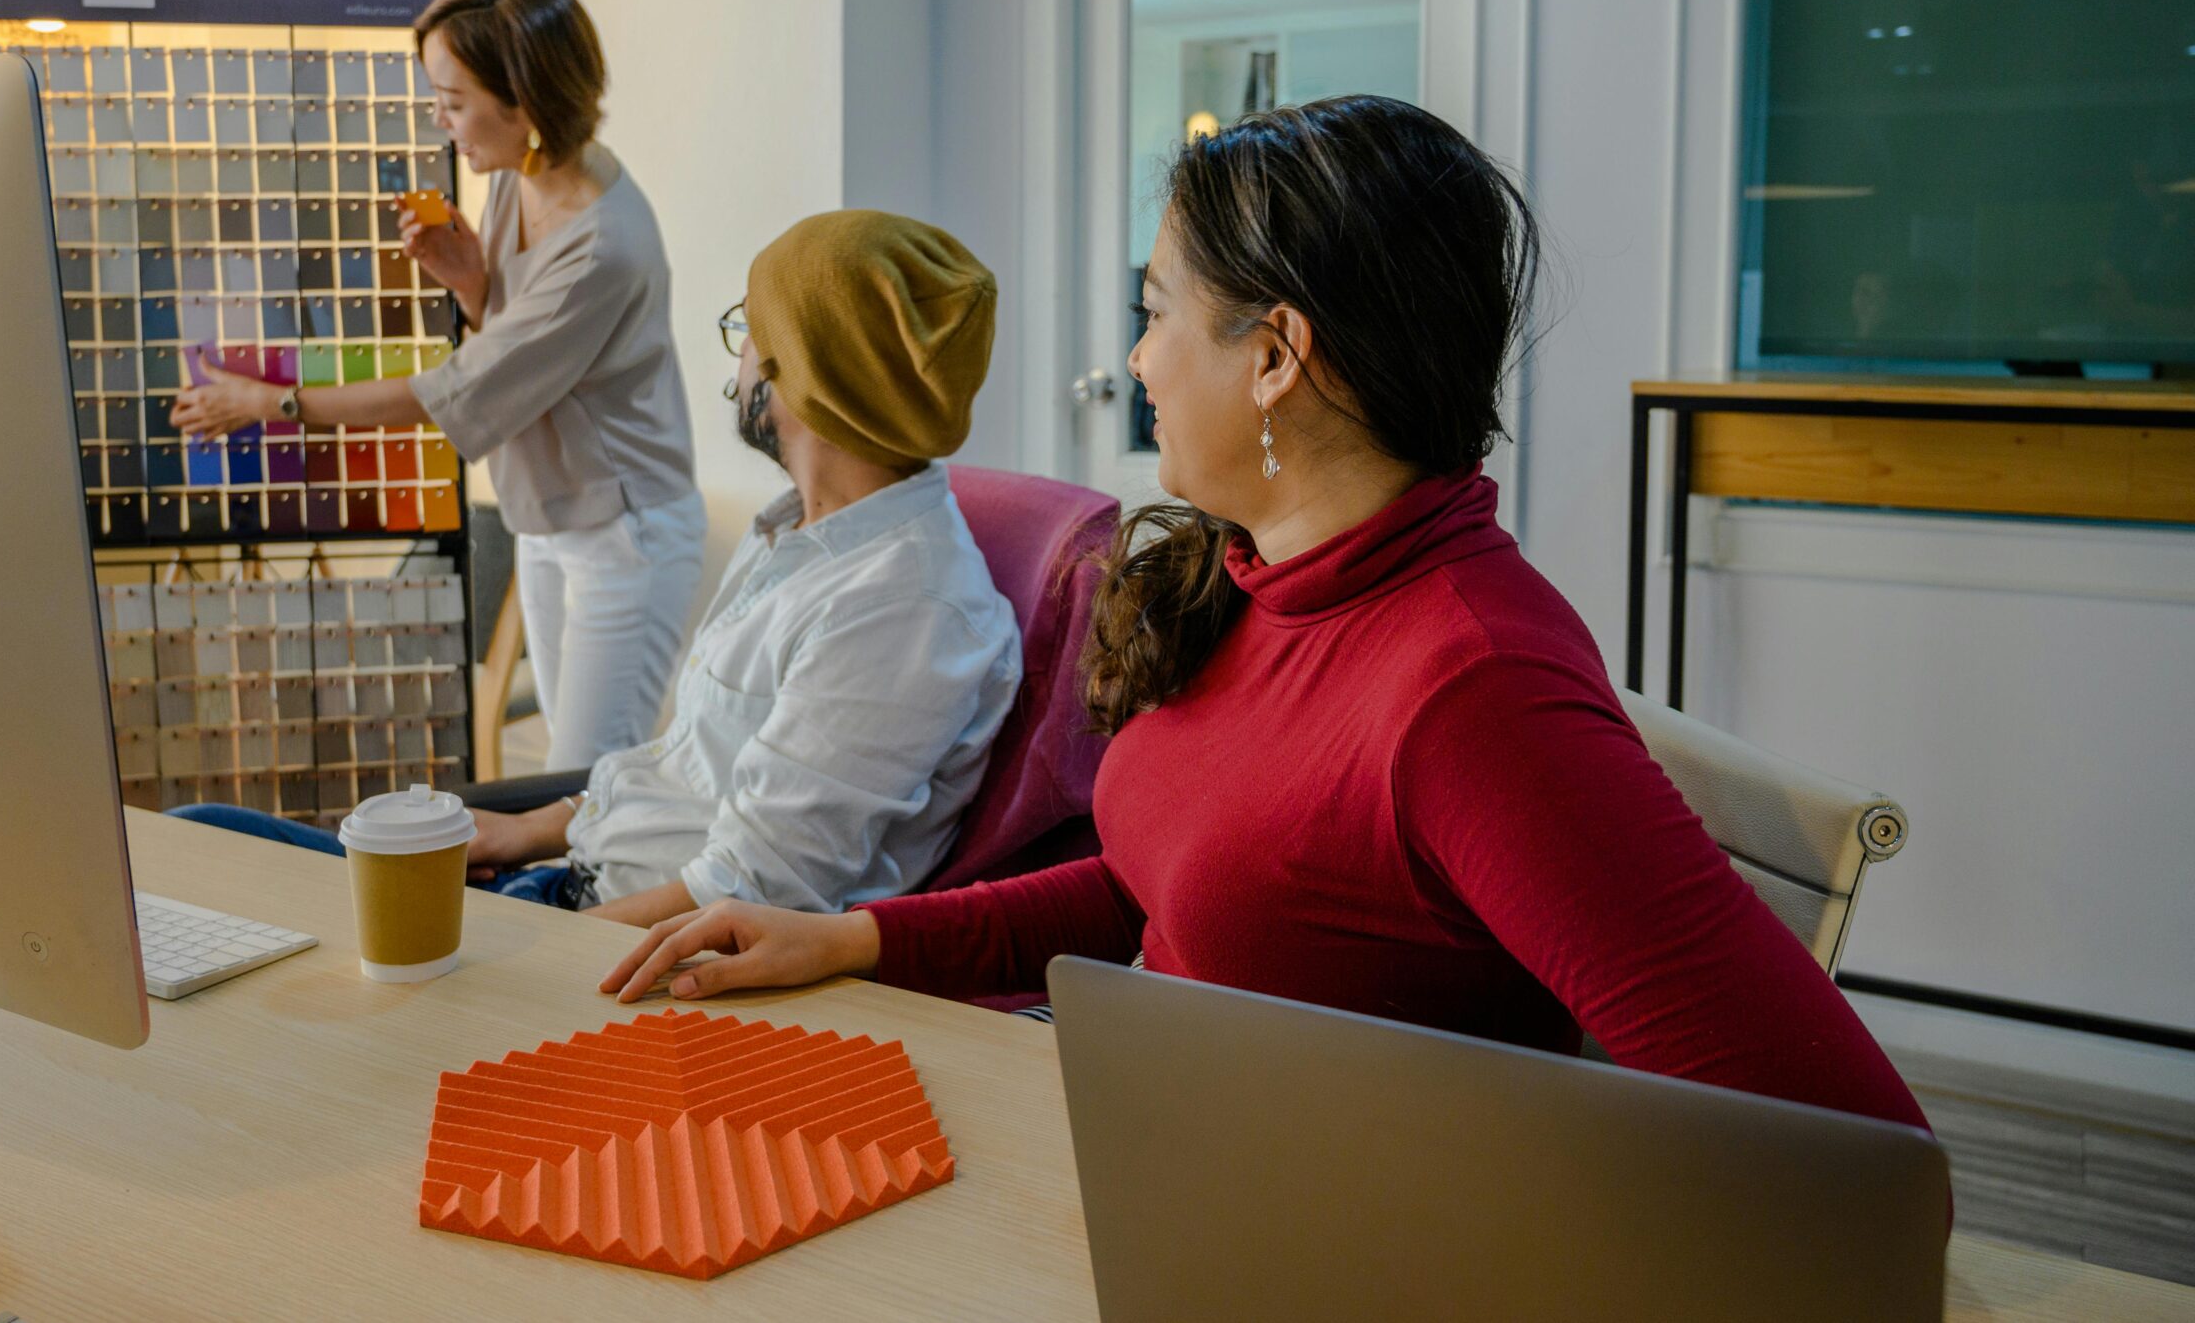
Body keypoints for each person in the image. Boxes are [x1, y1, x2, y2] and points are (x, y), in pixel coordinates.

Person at [602, 96, 1931, 1132]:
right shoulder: (1265, 578)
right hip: (1135, 1140)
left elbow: (1856, 1158)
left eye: (1154, 311)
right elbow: (1154, 887)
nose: (1134, 359)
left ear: (1277, 356)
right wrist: (859, 935)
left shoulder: (1474, 689)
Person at [178, 210, 1023, 930]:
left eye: (748, 333)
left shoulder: (902, 606)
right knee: (200, 837)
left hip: (600, 943)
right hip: (563, 885)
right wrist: (530, 829)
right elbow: (690, 766)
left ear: (799, 378)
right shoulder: (801, 535)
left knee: (214, 879)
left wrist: (516, 942)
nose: (736, 363)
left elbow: (746, 892)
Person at [174, 0, 705, 769]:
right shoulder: (521, 171)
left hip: (621, 531)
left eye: (453, 102)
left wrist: (271, 402)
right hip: (553, 515)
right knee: (569, 774)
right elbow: (526, 357)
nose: (440, 122)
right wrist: (469, 278)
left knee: (594, 782)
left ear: (523, 100)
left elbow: (454, 390)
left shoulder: (602, 244)